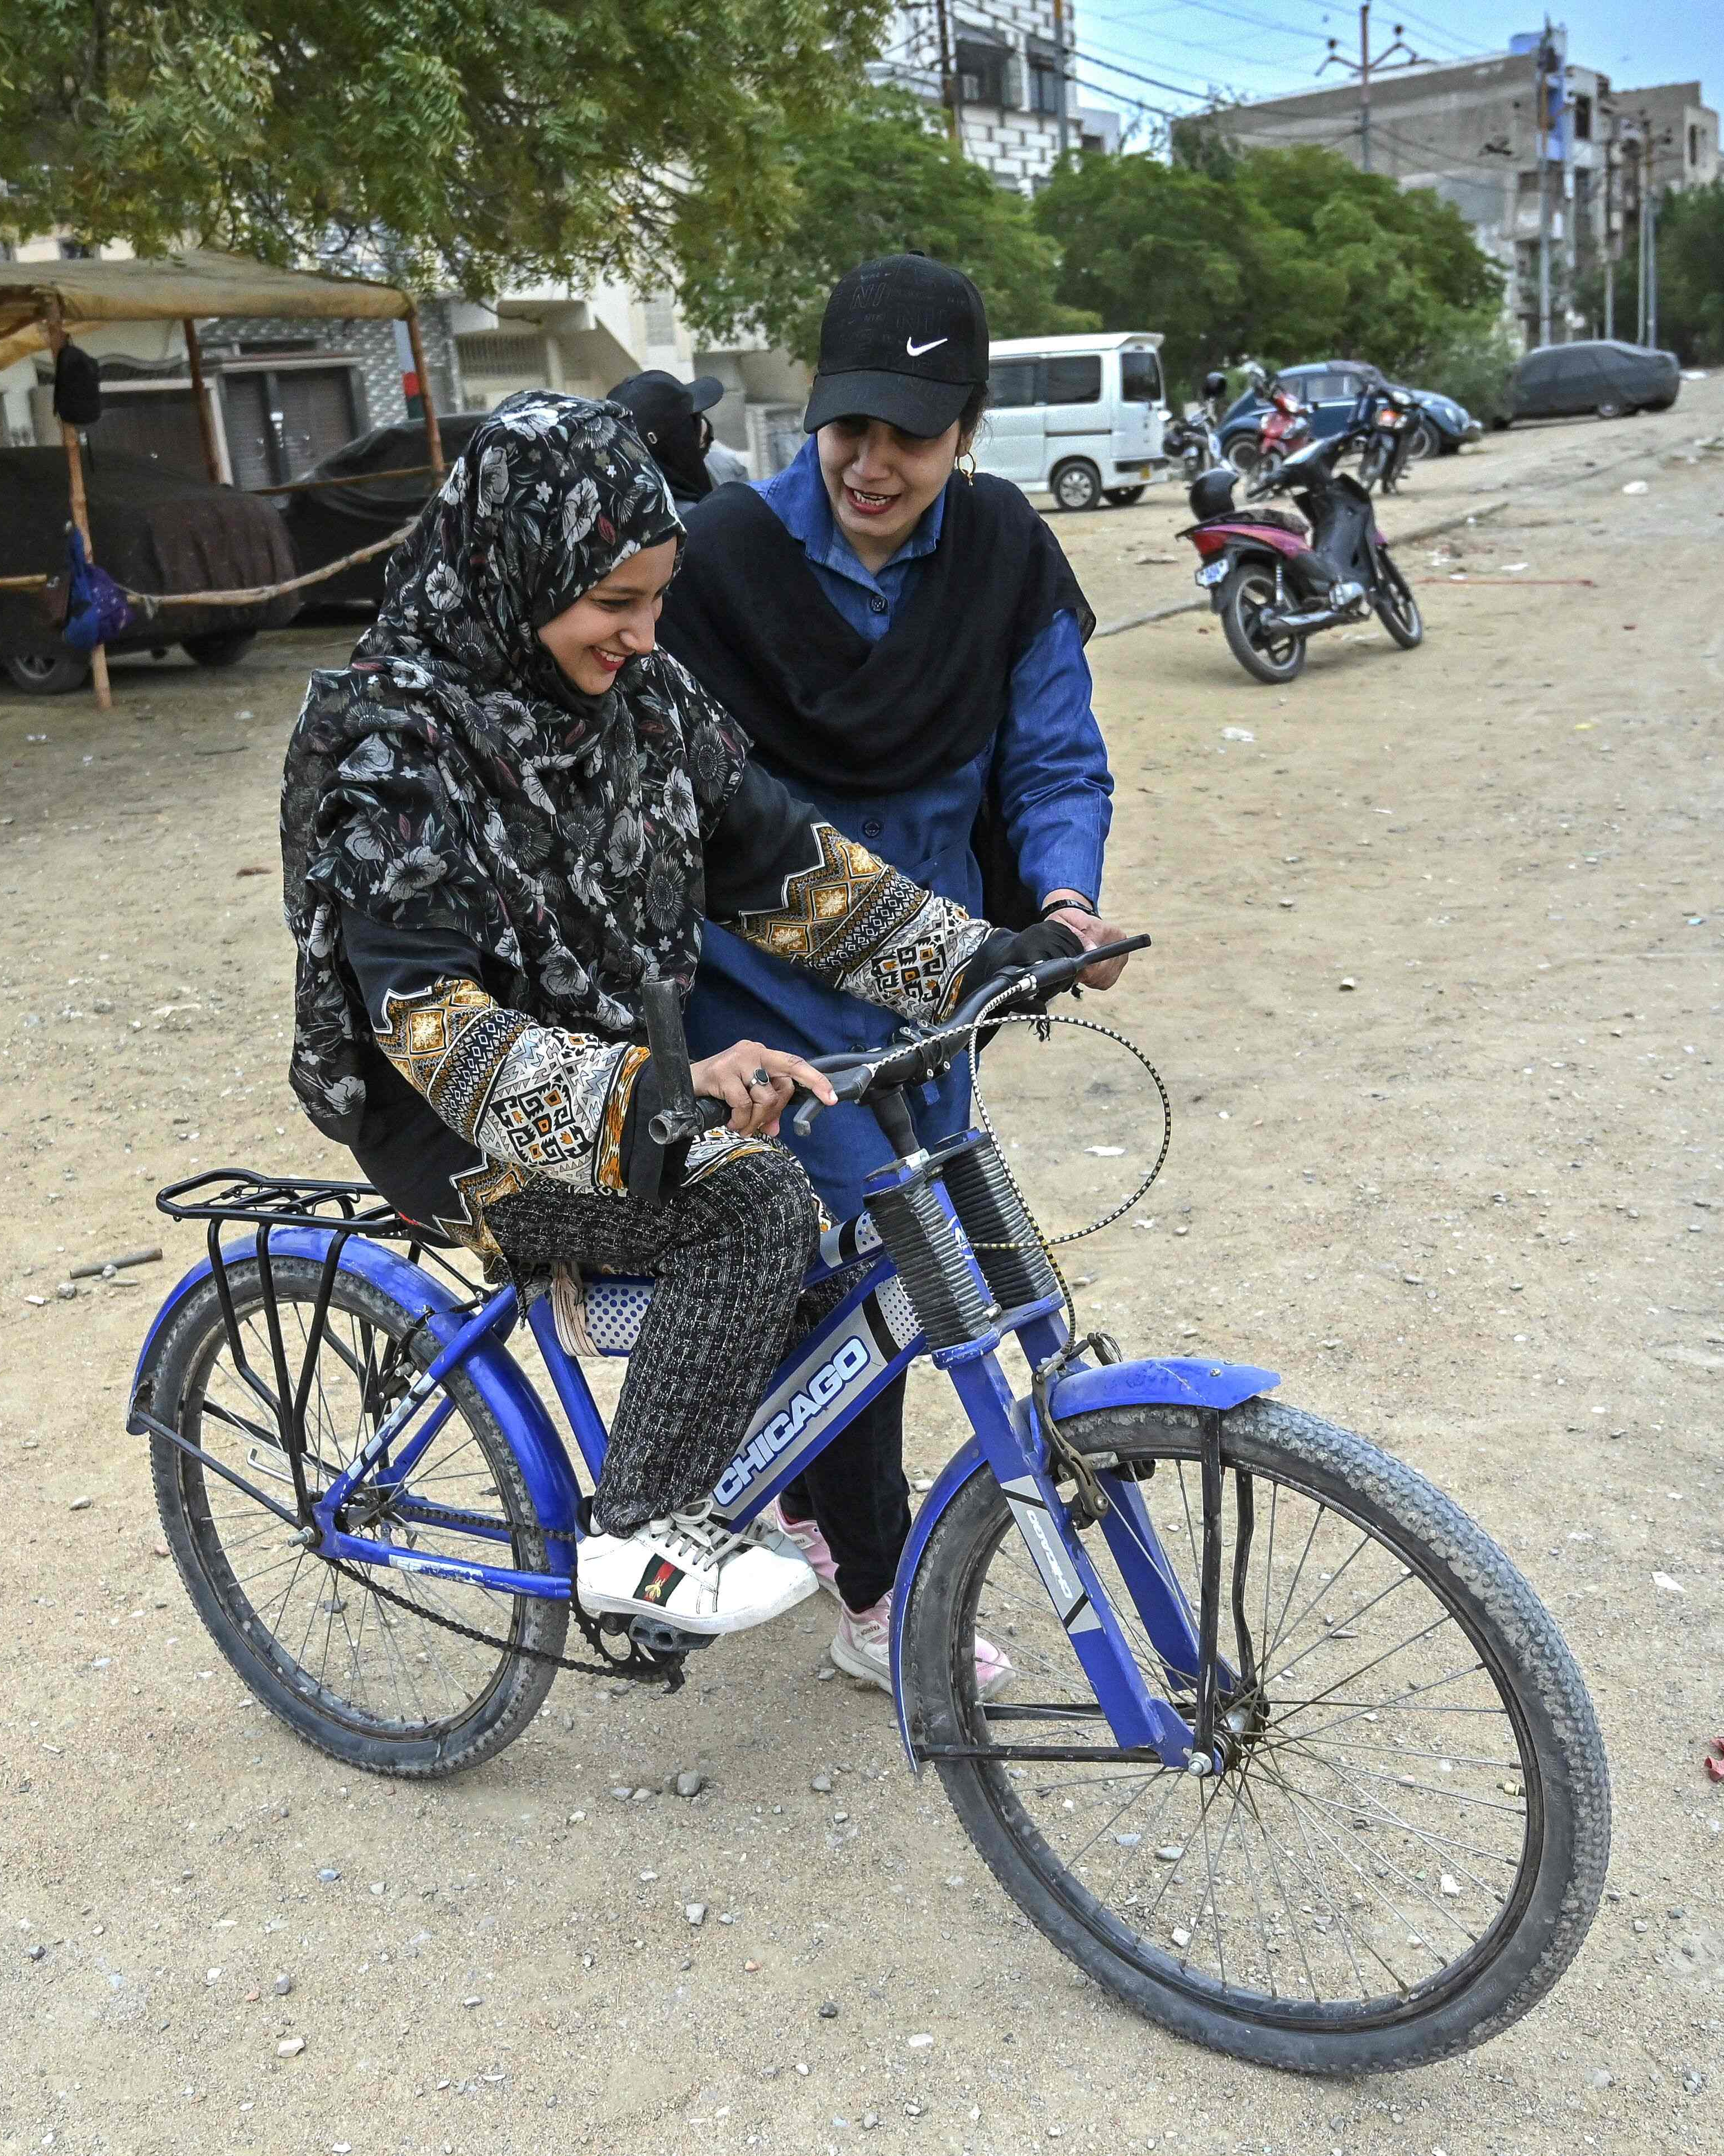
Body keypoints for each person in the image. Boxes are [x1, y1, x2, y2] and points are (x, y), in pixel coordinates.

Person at [283, 389, 1084, 1638]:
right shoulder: (392, 749)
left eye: (658, 599)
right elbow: (431, 1025)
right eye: (616, 604)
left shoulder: (642, 708)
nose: (649, 635)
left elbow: (791, 872)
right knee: (752, 1198)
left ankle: (817, 1520)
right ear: (519, 568)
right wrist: (658, 1093)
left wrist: (981, 960)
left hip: (615, 1063)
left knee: (835, 1198)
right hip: (452, 1123)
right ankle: (641, 1535)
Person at [656, 253, 1129, 1695]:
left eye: (908, 436)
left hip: (935, 993)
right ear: (812, 412)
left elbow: (1052, 755)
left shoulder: (1002, 558)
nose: (870, 463)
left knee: (904, 1267)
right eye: (846, 426)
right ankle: (874, 1590)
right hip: (758, 1001)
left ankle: (799, 1496)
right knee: (871, 1258)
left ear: (968, 429)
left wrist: (1061, 898)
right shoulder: (713, 560)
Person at [604, 370, 725, 512]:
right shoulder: (694, 523)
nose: (703, 424)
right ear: (680, 441)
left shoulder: (616, 514)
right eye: (693, 420)